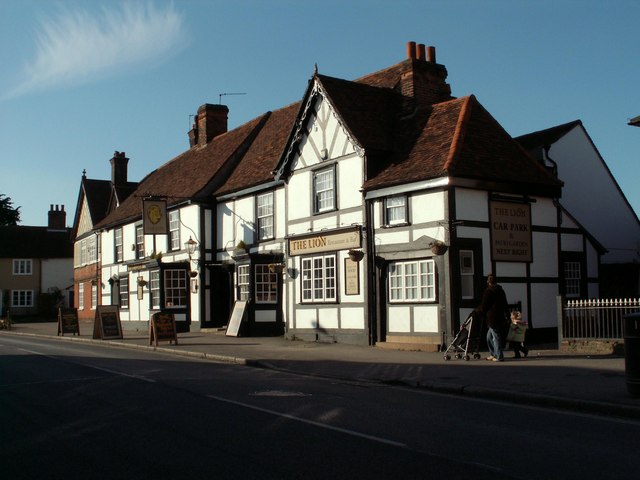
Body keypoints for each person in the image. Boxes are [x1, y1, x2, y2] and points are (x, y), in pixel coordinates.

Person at [476, 274, 509, 362]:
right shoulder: (500, 290)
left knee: (495, 336)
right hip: (500, 315)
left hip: (492, 317)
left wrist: (479, 312)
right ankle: (493, 353)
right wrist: (507, 315)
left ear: (489, 282)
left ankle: (499, 356)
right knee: (489, 337)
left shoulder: (489, 291)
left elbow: (484, 304)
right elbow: (505, 303)